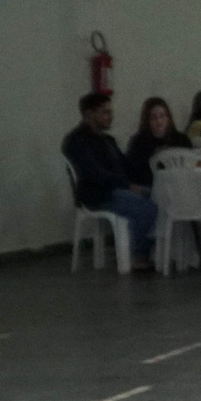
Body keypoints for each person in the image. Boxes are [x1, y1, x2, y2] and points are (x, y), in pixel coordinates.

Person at [64, 92, 155, 270]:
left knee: (158, 196)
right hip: (98, 194)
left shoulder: (107, 140)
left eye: (110, 112)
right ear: (89, 114)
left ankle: (148, 251)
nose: (110, 117)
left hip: (118, 188)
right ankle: (137, 254)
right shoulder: (76, 141)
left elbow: (127, 167)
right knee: (147, 207)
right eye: (105, 112)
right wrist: (128, 186)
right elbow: (94, 174)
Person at [124, 96, 195, 186]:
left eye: (162, 116)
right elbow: (134, 173)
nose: (159, 122)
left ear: (168, 118)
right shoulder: (139, 143)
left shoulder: (181, 140)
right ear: (147, 121)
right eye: (154, 118)